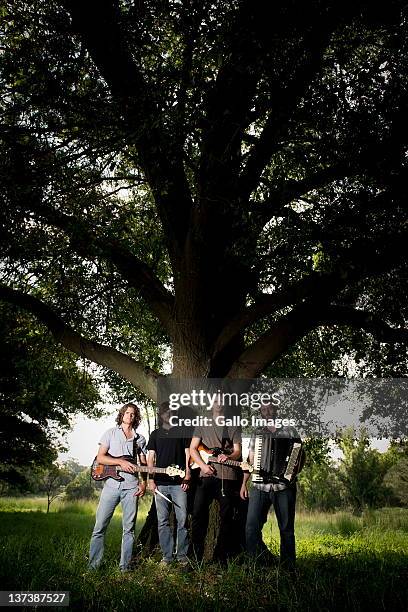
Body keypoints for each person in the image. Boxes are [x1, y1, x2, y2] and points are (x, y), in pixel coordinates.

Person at [240, 402, 302, 569]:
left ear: (276, 410)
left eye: (270, 408)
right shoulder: (257, 433)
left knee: (287, 529)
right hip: (260, 486)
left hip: (284, 488)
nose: (267, 412)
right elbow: (250, 460)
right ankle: (255, 565)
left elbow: (299, 456)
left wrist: (292, 473)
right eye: (263, 409)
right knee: (251, 526)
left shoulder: (290, 431)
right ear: (260, 412)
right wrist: (244, 483)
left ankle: (288, 569)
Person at [89, 402, 147, 572]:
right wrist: (120, 461)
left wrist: (143, 483)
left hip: (131, 488)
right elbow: (100, 458)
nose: (130, 416)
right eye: (127, 413)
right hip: (111, 486)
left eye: (133, 414)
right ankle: (93, 567)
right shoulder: (110, 433)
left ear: (136, 418)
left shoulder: (140, 439)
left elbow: (143, 465)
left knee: (129, 530)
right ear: (122, 415)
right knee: (99, 527)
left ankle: (125, 568)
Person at [190, 398, 242, 563]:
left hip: (227, 476)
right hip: (206, 476)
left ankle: (221, 559)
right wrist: (202, 466)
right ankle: (195, 558)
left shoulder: (232, 424)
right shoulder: (203, 422)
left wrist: (228, 456)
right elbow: (192, 448)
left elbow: (238, 451)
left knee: (226, 518)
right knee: (198, 515)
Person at [147, 401, 191, 566]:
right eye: (166, 412)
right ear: (161, 415)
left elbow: (188, 455)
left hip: (179, 484)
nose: (169, 414)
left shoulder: (182, 432)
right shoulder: (155, 434)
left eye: (172, 412)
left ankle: (182, 557)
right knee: (163, 521)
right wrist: (150, 479)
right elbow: (151, 458)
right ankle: (167, 557)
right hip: (160, 484)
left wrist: (187, 475)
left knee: (182, 520)